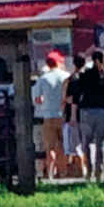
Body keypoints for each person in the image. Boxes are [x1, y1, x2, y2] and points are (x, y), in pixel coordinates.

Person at [75, 50, 104, 182]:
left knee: (86, 143)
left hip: (86, 112)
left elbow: (77, 93)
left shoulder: (85, 75)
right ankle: (98, 173)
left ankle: (88, 171)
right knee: (100, 144)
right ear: (103, 60)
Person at [31, 50, 69, 179]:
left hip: (48, 116)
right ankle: (63, 173)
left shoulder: (43, 79)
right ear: (58, 62)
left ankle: (51, 174)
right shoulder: (65, 76)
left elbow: (37, 100)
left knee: (50, 147)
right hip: (63, 115)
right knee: (63, 146)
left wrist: (45, 103)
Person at [61, 108, 86, 178]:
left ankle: (79, 170)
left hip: (72, 121)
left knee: (72, 149)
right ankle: (76, 170)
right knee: (74, 149)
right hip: (78, 119)